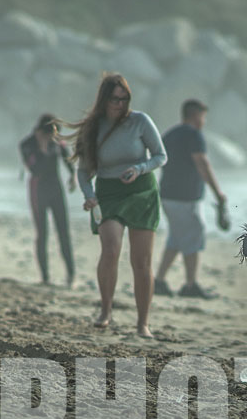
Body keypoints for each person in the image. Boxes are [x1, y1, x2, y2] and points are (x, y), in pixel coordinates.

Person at [69, 73, 167, 338]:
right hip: (108, 192)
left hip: (142, 191)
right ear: (104, 99)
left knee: (141, 261)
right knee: (111, 249)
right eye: (115, 99)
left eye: (125, 99)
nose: (120, 104)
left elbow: (161, 155)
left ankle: (142, 323)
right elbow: (83, 171)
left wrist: (140, 167)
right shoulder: (93, 128)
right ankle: (105, 310)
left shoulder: (140, 121)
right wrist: (89, 194)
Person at [154, 99, 228, 299]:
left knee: (177, 238)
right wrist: (218, 193)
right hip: (185, 197)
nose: (204, 121)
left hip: (168, 195)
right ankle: (190, 285)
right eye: (203, 117)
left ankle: (159, 281)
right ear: (196, 116)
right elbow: (202, 163)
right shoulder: (194, 135)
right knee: (193, 235)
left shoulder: (170, 134)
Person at [20, 114, 75, 286]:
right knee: (42, 233)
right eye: (50, 134)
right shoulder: (27, 144)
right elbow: (35, 170)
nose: (53, 137)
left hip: (56, 189)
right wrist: (42, 148)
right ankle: (45, 277)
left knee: (63, 232)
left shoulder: (56, 140)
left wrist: (73, 175)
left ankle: (70, 275)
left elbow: (67, 157)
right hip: (38, 189)